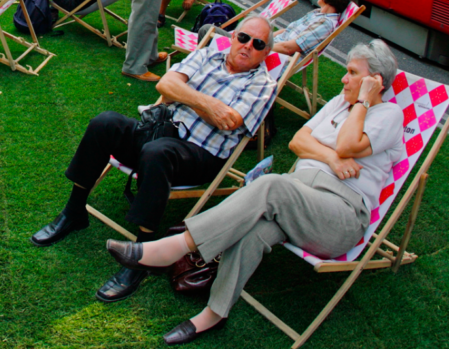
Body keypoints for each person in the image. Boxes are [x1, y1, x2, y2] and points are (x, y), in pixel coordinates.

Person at [106, 39, 403, 346]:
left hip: (339, 218)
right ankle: (214, 313)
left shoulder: (388, 114)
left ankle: (174, 247)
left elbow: (347, 145)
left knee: (273, 185)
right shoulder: (340, 102)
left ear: (375, 82)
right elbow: (298, 142)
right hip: (300, 202)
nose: (343, 79)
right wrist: (329, 157)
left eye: (353, 73)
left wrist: (363, 103)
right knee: (256, 228)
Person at [31, 15, 278, 302]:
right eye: (244, 37)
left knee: (157, 152)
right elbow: (165, 85)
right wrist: (206, 103)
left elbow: (230, 121)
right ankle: (74, 212)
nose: (248, 46)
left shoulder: (263, 84)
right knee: (105, 123)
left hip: (202, 154)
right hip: (164, 129)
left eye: (258, 44)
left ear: (265, 53)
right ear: (233, 36)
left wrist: (185, 94)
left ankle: (145, 254)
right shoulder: (210, 53)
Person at [198, 0, 357, 57]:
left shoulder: (325, 24)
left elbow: (289, 48)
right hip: (264, 46)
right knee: (211, 31)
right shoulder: (317, 14)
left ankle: (206, 69)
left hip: (269, 54)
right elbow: (286, 31)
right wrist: (256, 38)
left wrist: (254, 45)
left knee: (207, 31)